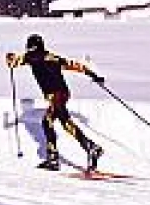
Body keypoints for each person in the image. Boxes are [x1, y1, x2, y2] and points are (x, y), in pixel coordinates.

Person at [6, 33, 105, 172]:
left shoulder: (34, 57)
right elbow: (75, 65)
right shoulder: (49, 57)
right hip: (61, 94)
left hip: (56, 95)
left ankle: (87, 148)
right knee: (58, 123)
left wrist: (10, 59)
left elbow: (15, 62)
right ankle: (78, 150)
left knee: (51, 122)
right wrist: (93, 74)